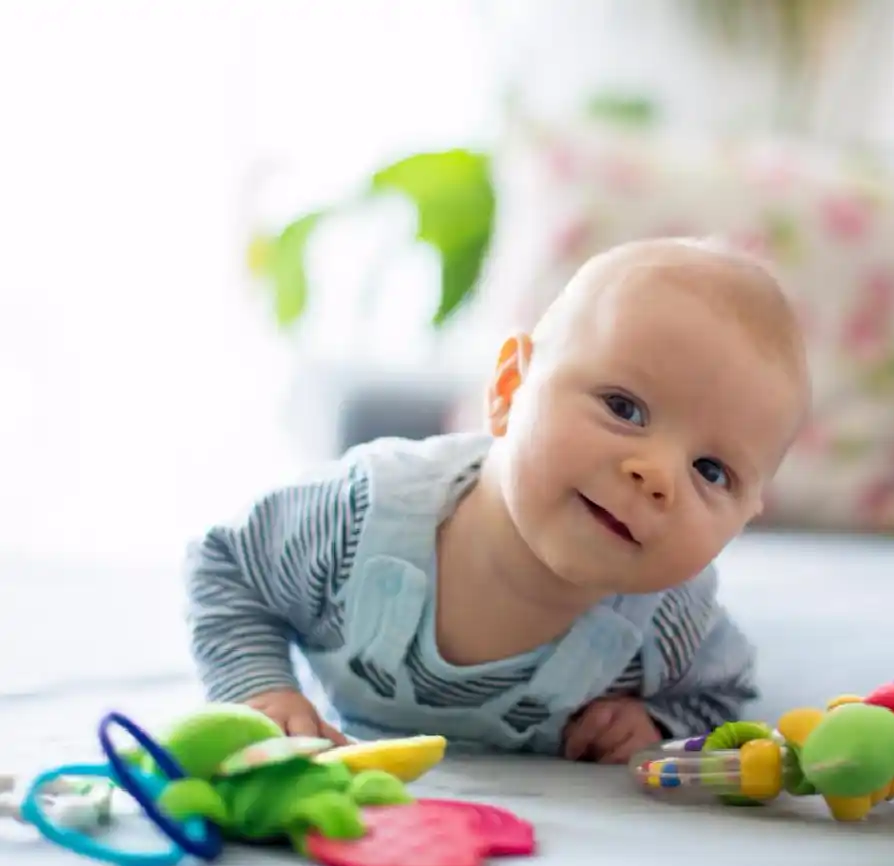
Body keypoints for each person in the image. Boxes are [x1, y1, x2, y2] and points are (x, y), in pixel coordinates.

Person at [184, 236, 810, 764]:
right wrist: (260, 689)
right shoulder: (360, 516)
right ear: (511, 386)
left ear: (747, 517)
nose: (657, 475)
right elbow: (229, 568)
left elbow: (723, 694)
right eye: (624, 408)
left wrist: (652, 723)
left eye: (711, 470)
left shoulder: (670, 625)